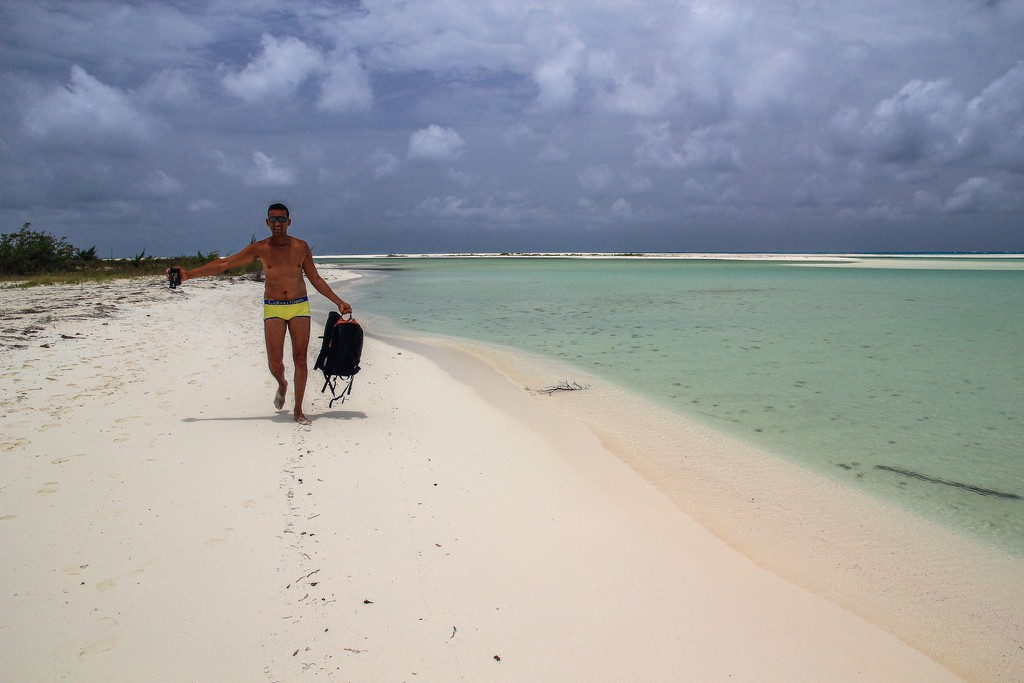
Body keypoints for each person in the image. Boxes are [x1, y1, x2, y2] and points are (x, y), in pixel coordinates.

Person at [169, 203, 351, 425]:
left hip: (299, 306)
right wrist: (188, 275)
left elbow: (316, 279)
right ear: (267, 222)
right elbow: (225, 263)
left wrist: (339, 301)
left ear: (289, 222)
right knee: (275, 363)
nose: (277, 224)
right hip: (273, 306)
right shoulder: (260, 248)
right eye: (273, 220)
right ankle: (282, 383)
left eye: (281, 219)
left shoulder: (301, 247)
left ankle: (299, 410)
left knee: (300, 359)